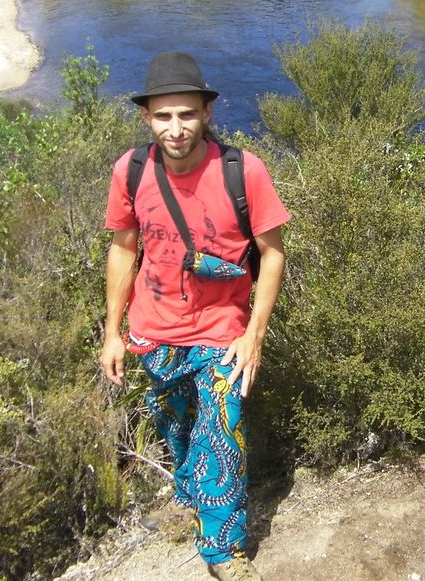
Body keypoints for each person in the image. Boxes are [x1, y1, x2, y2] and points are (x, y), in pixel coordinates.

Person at [99, 52, 289, 581]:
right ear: (147, 118)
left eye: (186, 114)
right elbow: (123, 249)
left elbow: (272, 253)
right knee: (178, 429)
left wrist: (255, 335)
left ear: (207, 112)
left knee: (222, 429)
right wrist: (111, 333)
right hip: (153, 330)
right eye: (164, 116)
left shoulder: (242, 171)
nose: (176, 128)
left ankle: (223, 549)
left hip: (221, 332)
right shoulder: (131, 170)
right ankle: (192, 497)